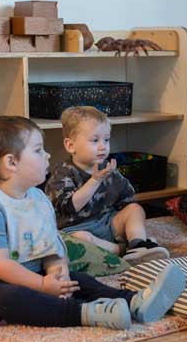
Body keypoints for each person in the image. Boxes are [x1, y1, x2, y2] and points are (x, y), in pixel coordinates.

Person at [0, 116, 186, 329]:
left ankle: (135, 301)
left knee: (81, 281)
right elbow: (0, 265)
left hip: (38, 273)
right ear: (11, 162)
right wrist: (42, 286)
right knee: (9, 299)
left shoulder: (38, 199)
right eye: (39, 150)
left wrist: (59, 276)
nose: (48, 155)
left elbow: (51, 244)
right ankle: (86, 314)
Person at [46, 106, 169, 265]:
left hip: (106, 223)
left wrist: (127, 221)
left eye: (106, 139)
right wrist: (94, 181)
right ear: (71, 146)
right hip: (75, 230)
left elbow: (127, 199)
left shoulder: (108, 169)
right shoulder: (62, 174)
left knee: (135, 209)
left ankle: (138, 243)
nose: (103, 146)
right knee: (80, 240)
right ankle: (122, 251)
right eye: (95, 140)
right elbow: (68, 207)